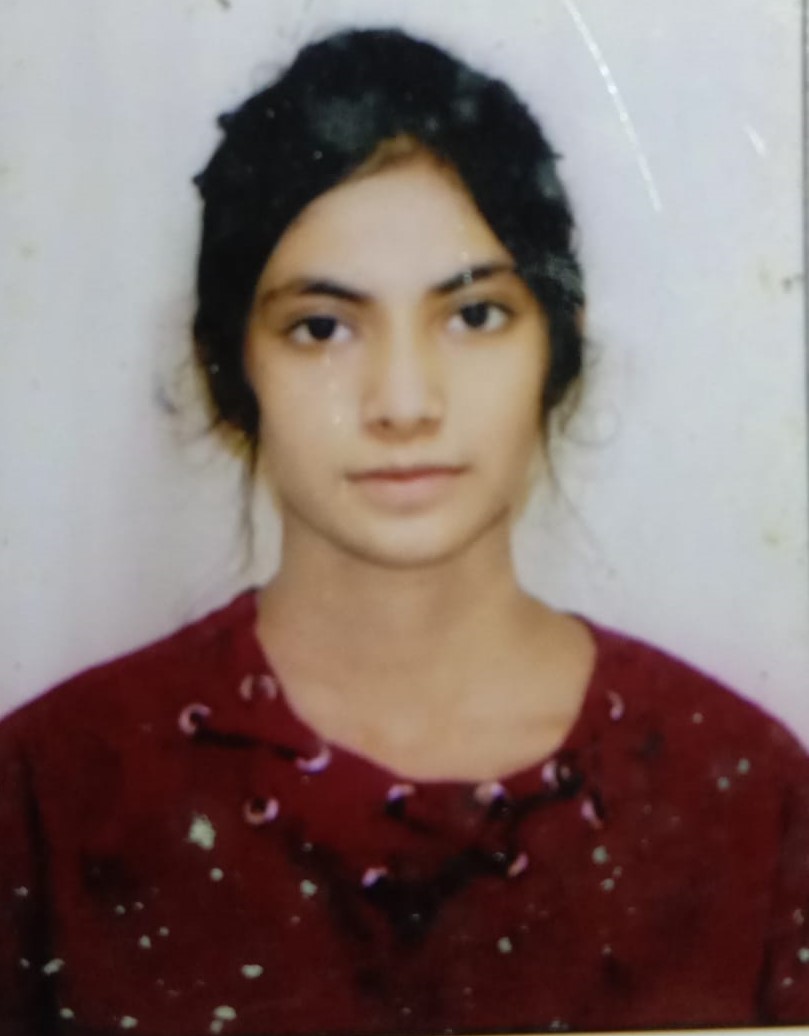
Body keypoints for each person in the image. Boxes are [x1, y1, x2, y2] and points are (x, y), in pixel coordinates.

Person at [1, 26, 808, 1035]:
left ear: (557, 349)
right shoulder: (52, 794)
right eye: (322, 327)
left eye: (473, 316)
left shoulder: (744, 797)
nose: (403, 402)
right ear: (229, 366)